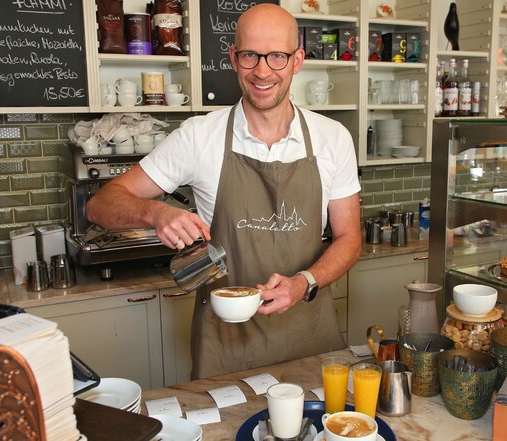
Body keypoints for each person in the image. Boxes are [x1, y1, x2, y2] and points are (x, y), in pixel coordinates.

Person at [86, 3, 361, 379]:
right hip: (225, 346)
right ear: (233, 58)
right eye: (250, 55)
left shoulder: (334, 138)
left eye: (277, 56)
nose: (262, 71)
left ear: (297, 60)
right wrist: (156, 212)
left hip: (309, 338)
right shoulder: (199, 137)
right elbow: (101, 204)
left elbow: (349, 238)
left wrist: (304, 283)